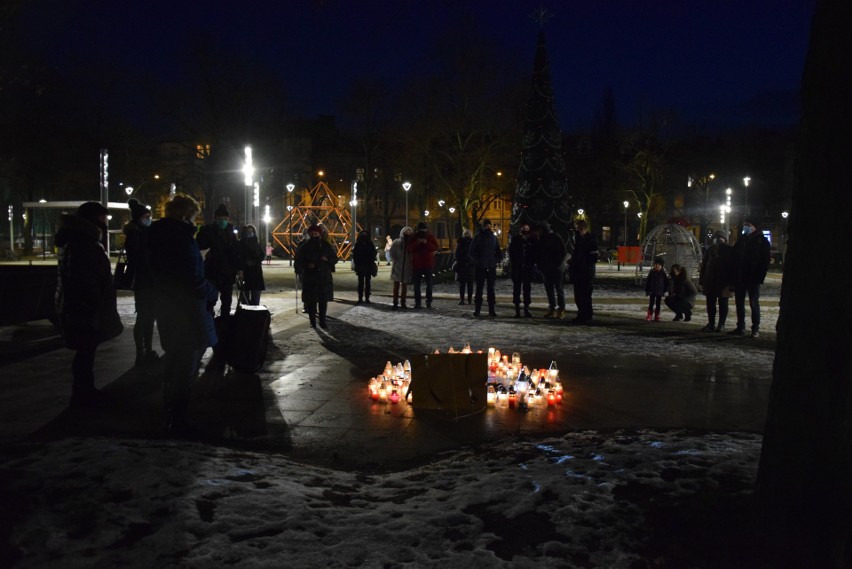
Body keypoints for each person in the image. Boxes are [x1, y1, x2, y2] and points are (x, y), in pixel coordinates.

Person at [147, 194, 218, 434]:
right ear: (186, 214)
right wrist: (212, 290)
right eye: (194, 215)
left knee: (174, 360)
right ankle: (177, 420)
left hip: (166, 307)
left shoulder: (155, 236)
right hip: (188, 311)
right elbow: (193, 280)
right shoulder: (183, 239)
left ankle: (168, 412)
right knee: (187, 365)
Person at [55, 201, 123, 408]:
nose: (104, 224)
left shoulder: (78, 241)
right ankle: (82, 394)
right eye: (102, 220)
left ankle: (85, 390)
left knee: (87, 350)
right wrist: (93, 304)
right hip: (84, 307)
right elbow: (84, 278)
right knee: (85, 350)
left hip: (81, 305)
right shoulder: (83, 243)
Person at [123, 198, 158, 366]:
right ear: (138, 218)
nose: (149, 218)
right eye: (146, 216)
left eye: (149, 215)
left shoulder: (146, 232)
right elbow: (136, 258)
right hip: (143, 281)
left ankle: (148, 349)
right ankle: (141, 351)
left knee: (149, 317)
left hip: (150, 280)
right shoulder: (135, 234)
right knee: (144, 316)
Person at [195, 203, 241, 317]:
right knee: (210, 299)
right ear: (215, 219)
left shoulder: (230, 232)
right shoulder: (207, 231)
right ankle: (210, 318)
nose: (223, 221)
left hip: (227, 273)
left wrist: (239, 269)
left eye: (225, 219)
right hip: (212, 271)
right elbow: (201, 247)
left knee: (227, 300)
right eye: (220, 219)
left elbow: (235, 252)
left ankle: (224, 322)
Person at [729, 218, 771, 338]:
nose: (745, 227)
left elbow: (765, 261)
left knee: (753, 303)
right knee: (739, 303)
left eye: (748, 225)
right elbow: (734, 258)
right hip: (740, 277)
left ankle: (755, 328)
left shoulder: (762, 242)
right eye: (744, 225)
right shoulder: (742, 241)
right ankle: (740, 327)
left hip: (753, 278)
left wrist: (759, 277)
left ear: (754, 227)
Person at [294, 224, 337, 328]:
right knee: (312, 301)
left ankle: (322, 321)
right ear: (309, 234)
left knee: (323, 301)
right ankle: (312, 322)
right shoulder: (305, 247)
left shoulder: (326, 245)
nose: (314, 235)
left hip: (323, 277)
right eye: (312, 234)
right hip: (310, 277)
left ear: (320, 234)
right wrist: (306, 266)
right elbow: (298, 261)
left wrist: (327, 260)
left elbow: (334, 259)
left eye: (316, 233)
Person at [699, 230, 735, 332]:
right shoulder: (710, 250)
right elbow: (704, 266)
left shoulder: (729, 250)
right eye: (716, 238)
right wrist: (702, 280)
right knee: (711, 304)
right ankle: (711, 323)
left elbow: (733, 267)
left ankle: (721, 324)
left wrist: (732, 283)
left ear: (725, 239)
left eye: (720, 238)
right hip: (710, 281)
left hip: (724, 282)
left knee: (723, 303)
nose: (718, 240)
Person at [469, 219, 501, 317]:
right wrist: (477, 262)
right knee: (479, 289)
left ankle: (491, 310)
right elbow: (471, 252)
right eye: (486, 226)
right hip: (481, 267)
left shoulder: (493, 238)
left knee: (491, 289)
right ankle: (477, 310)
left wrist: (496, 260)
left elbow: (498, 251)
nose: (488, 227)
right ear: (483, 227)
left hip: (490, 266)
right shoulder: (478, 237)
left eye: (489, 226)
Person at [568, 219, 599, 324]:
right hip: (579, 271)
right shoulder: (578, 239)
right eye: (577, 229)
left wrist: (583, 263)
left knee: (585, 295)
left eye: (580, 229)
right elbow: (576, 253)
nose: (578, 231)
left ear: (585, 229)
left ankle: (587, 315)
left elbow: (593, 257)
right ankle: (582, 314)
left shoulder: (591, 240)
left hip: (586, 272)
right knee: (578, 295)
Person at [535, 223, 567, 318]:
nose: (538, 232)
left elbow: (562, 252)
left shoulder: (554, 238)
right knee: (550, 290)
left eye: (540, 230)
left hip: (555, 268)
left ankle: (560, 309)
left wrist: (557, 264)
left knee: (558, 289)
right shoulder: (541, 239)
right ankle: (552, 308)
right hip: (547, 268)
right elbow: (539, 254)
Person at [508, 223, 537, 318]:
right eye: (524, 228)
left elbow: (533, 254)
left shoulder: (532, 240)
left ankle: (526, 309)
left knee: (527, 289)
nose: (525, 230)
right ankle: (517, 310)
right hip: (518, 268)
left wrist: (530, 264)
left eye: (527, 228)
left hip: (527, 268)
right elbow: (512, 253)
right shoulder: (516, 239)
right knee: (517, 289)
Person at [407, 221, 438, 309]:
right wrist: (417, 243)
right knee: (417, 285)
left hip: (427, 264)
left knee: (428, 284)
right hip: (418, 264)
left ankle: (428, 301)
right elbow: (409, 248)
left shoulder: (429, 236)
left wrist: (426, 243)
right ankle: (418, 302)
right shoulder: (414, 237)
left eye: (423, 229)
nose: (422, 231)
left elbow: (435, 247)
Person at [238, 224, 266, 306]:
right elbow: (240, 257)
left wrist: (255, 261)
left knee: (256, 297)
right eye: (248, 232)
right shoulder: (241, 243)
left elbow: (261, 255)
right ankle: (246, 315)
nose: (250, 233)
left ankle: (255, 315)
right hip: (245, 272)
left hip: (256, 272)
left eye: (252, 231)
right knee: (245, 298)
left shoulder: (256, 242)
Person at [389, 226, 413, 309]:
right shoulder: (397, 242)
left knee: (404, 286)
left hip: (406, 267)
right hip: (398, 266)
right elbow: (392, 252)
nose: (407, 234)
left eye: (409, 233)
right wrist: (395, 260)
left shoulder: (410, 243)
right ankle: (395, 303)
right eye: (406, 232)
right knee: (396, 286)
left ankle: (403, 302)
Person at [353, 230, 378, 304]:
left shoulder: (363, 244)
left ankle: (363, 298)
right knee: (364, 283)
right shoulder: (368, 244)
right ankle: (364, 298)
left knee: (363, 283)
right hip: (364, 265)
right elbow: (355, 255)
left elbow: (355, 255)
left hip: (365, 265)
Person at [644, 257, 669, 321]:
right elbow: (648, 281)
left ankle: (657, 314)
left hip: (660, 291)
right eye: (656, 265)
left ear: (662, 266)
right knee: (651, 303)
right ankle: (649, 314)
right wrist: (646, 290)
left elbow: (666, 282)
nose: (657, 266)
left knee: (658, 303)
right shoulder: (652, 272)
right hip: (652, 290)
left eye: (659, 265)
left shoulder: (663, 273)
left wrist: (666, 290)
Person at [454, 229, 475, 305]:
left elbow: (457, 254)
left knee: (464, 284)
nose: (467, 236)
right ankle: (467, 299)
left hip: (464, 265)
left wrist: (460, 261)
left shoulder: (460, 242)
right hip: (467, 266)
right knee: (468, 284)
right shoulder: (472, 242)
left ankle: (463, 299)